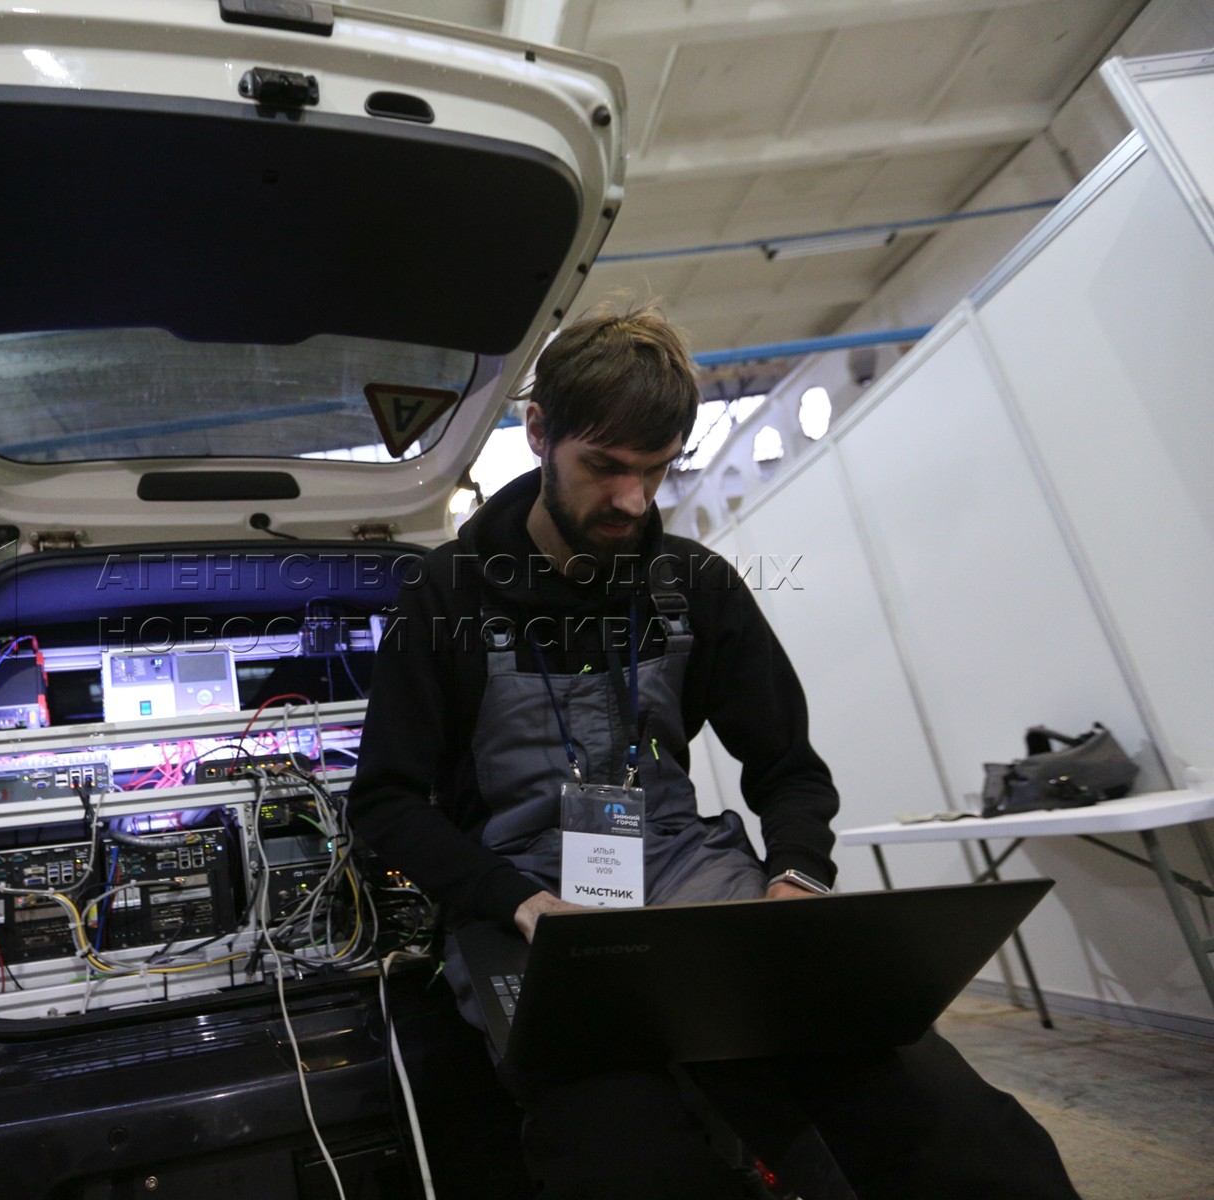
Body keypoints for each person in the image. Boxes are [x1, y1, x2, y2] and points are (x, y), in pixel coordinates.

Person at [348, 300, 1079, 1199]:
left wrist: (797, 880)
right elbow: (385, 804)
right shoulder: (445, 596)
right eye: (605, 466)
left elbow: (788, 769)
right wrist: (520, 903)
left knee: (935, 1109)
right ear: (538, 432)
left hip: (688, 874)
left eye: (656, 469)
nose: (633, 500)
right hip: (523, 897)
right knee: (621, 1152)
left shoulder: (694, 586)